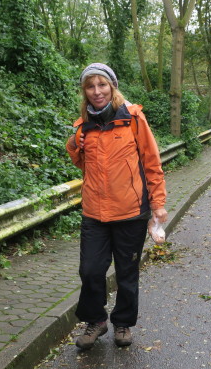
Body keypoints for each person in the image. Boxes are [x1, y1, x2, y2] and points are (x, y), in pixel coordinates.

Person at [66, 63, 167, 350]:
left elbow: (152, 163)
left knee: (126, 273)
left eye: (102, 85)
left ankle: (123, 323)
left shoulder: (132, 118)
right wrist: (73, 143)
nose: (97, 91)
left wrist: (158, 203)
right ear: (84, 91)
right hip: (94, 212)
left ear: (112, 87)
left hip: (130, 212)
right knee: (90, 271)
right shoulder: (83, 125)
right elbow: (81, 163)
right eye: (90, 86)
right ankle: (96, 321)